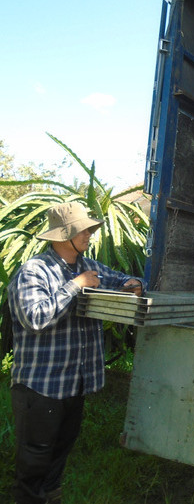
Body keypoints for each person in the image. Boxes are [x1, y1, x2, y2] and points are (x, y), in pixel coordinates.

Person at [7, 202, 145, 504]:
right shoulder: (34, 272)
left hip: (74, 383)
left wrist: (133, 284)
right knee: (35, 460)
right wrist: (74, 287)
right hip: (41, 386)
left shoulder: (88, 267)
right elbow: (35, 318)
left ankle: (51, 497)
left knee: (60, 452)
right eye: (83, 230)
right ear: (63, 235)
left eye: (90, 229)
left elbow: (122, 280)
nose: (90, 234)